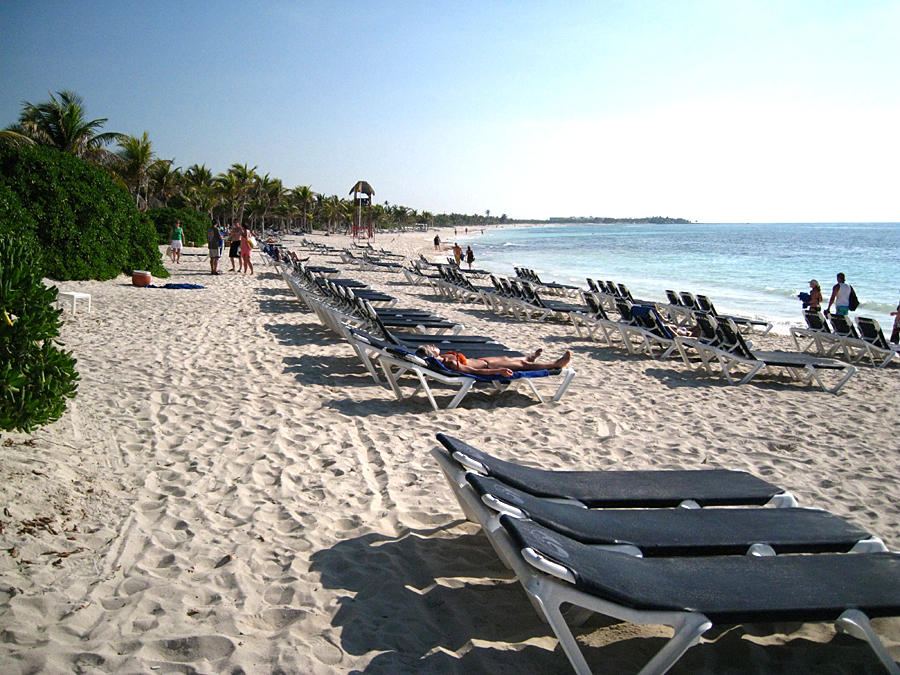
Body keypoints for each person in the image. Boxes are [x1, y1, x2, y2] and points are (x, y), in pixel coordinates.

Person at [415, 345, 571, 377]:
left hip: (482, 360)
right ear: (432, 355)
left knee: (510, 359)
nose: (434, 346)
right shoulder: (449, 363)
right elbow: (475, 372)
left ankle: (530, 357)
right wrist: (498, 371)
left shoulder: (445, 358)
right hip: (488, 365)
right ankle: (555, 364)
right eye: (431, 347)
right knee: (523, 366)